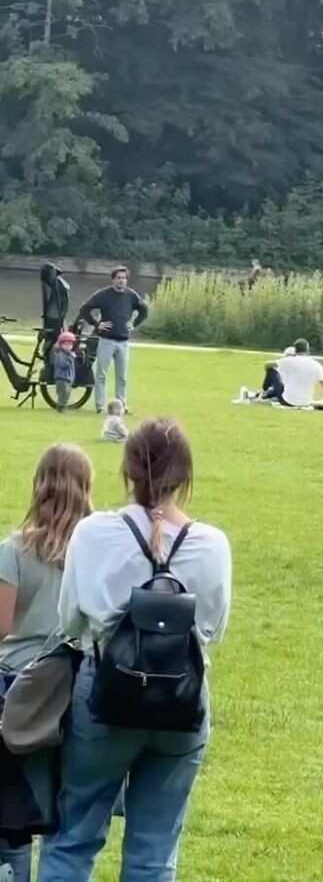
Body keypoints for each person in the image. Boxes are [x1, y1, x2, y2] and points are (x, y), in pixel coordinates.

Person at [38, 418, 232, 882]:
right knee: (154, 851)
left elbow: (69, 621)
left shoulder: (92, 533)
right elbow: (213, 629)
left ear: (127, 470)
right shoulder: (213, 544)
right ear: (185, 476)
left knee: (73, 839)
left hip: (105, 694)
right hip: (182, 699)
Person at [0, 444, 94, 882]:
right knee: (66, 815)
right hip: (77, 685)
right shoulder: (95, 551)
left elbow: (1, 626)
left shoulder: (14, 550)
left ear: (39, 485)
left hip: (20, 690)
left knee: (14, 818)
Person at [75, 266, 148, 415]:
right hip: (106, 341)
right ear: (113, 279)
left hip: (123, 342)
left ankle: (121, 406)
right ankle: (100, 406)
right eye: (119, 278)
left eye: (124, 278)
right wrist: (97, 324)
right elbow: (84, 308)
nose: (121, 281)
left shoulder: (131, 295)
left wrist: (134, 324)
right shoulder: (103, 295)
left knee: (122, 377)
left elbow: (144, 310)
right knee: (101, 375)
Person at [276, 339, 323, 408]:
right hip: (306, 402)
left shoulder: (289, 360)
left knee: (272, 371)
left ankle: (267, 393)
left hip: (288, 401)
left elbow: (269, 365)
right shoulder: (316, 365)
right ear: (307, 350)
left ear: (295, 350)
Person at [52, 331, 77, 412]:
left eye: (70, 344)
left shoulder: (69, 354)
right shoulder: (60, 355)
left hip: (68, 378)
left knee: (67, 393)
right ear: (61, 345)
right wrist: (70, 358)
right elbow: (63, 365)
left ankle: (63, 406)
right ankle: (61, 407)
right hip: (61, 377)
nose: (68, 347)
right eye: (65, 344)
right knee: (63, 393)